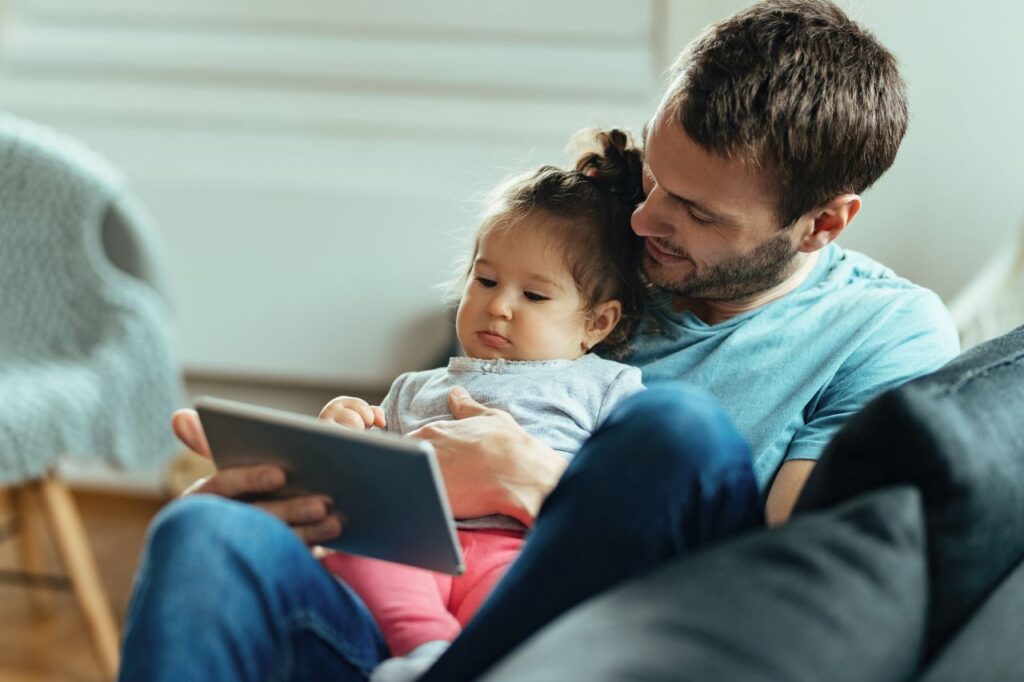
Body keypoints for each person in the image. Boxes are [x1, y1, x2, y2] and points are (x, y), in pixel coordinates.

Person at [118, 2, 959, 681]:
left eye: (697, 213)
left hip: (608, 637)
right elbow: (432, 431)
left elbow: (793, 584)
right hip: (414, 621)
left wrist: (536, 481)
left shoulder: (884, 333)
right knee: (202, 534)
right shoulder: (594, 241)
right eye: (658, 179)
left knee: (677, 431)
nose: (644, 219)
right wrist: (311, 477)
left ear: (823, 223)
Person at [318, 129, 649, 681]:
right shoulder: (411, 388)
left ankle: (473, 660)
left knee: (546, 600)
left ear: (598, 322)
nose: (499, 307)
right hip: (416, 541)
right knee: (354, 550)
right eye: (486, 279)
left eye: (534, 295)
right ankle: (426, 653)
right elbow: (372, 480)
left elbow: (617, 491)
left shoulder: (607, 387)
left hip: (517, 549)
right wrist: (346, 432)